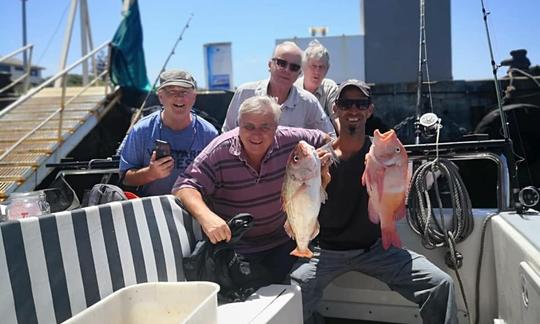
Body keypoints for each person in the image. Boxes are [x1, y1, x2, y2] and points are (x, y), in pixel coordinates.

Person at [289, 79, 458, 324]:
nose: (353, 110)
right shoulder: (318, 159)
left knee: (441, 284)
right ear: (335, 109)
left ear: (370, 110)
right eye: (346, 104)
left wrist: (400, 168)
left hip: (376, 248)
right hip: (325, 252)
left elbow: (400, 190)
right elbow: (302, 203)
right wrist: (320, 178)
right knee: (292, 294)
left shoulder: (380, 152)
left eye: (361, 104)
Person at [173, 95, 331, 284]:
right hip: (237, 250)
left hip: (284, 242)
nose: (256, 134)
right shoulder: (219, 150)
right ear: (238, 125)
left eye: (265, 127)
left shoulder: (294, 141)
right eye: (249, 127)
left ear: (276, 126)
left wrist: (325, 159)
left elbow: (329, 141)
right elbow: (184, 186)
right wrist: (207, 217)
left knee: (293, 295)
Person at [119, 69, 218, 197]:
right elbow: (125, 177)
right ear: (160, 97)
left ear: (194, 96)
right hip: (152, 207)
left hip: (194, 207)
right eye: (171, 91)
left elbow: (218, 181)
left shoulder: (209, 134)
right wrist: (151, 173)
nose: (179, 97)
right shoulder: (141, 130)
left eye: (184, 91)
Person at [221, 41, 336, 137]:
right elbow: (226, 135)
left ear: (299, 73)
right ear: (270, 65)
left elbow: (330, 138)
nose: (286, 70)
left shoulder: (309, 103)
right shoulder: (245, 93)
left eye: (294, 67)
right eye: (281, 63)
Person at [294, 40, 339, 131]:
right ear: (304, 67)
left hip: (324, 140)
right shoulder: (293, 88)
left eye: (321, 67)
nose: (317, 71)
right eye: (313, 66)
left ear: (327, 69)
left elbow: (337, 118)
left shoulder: (330, 87)